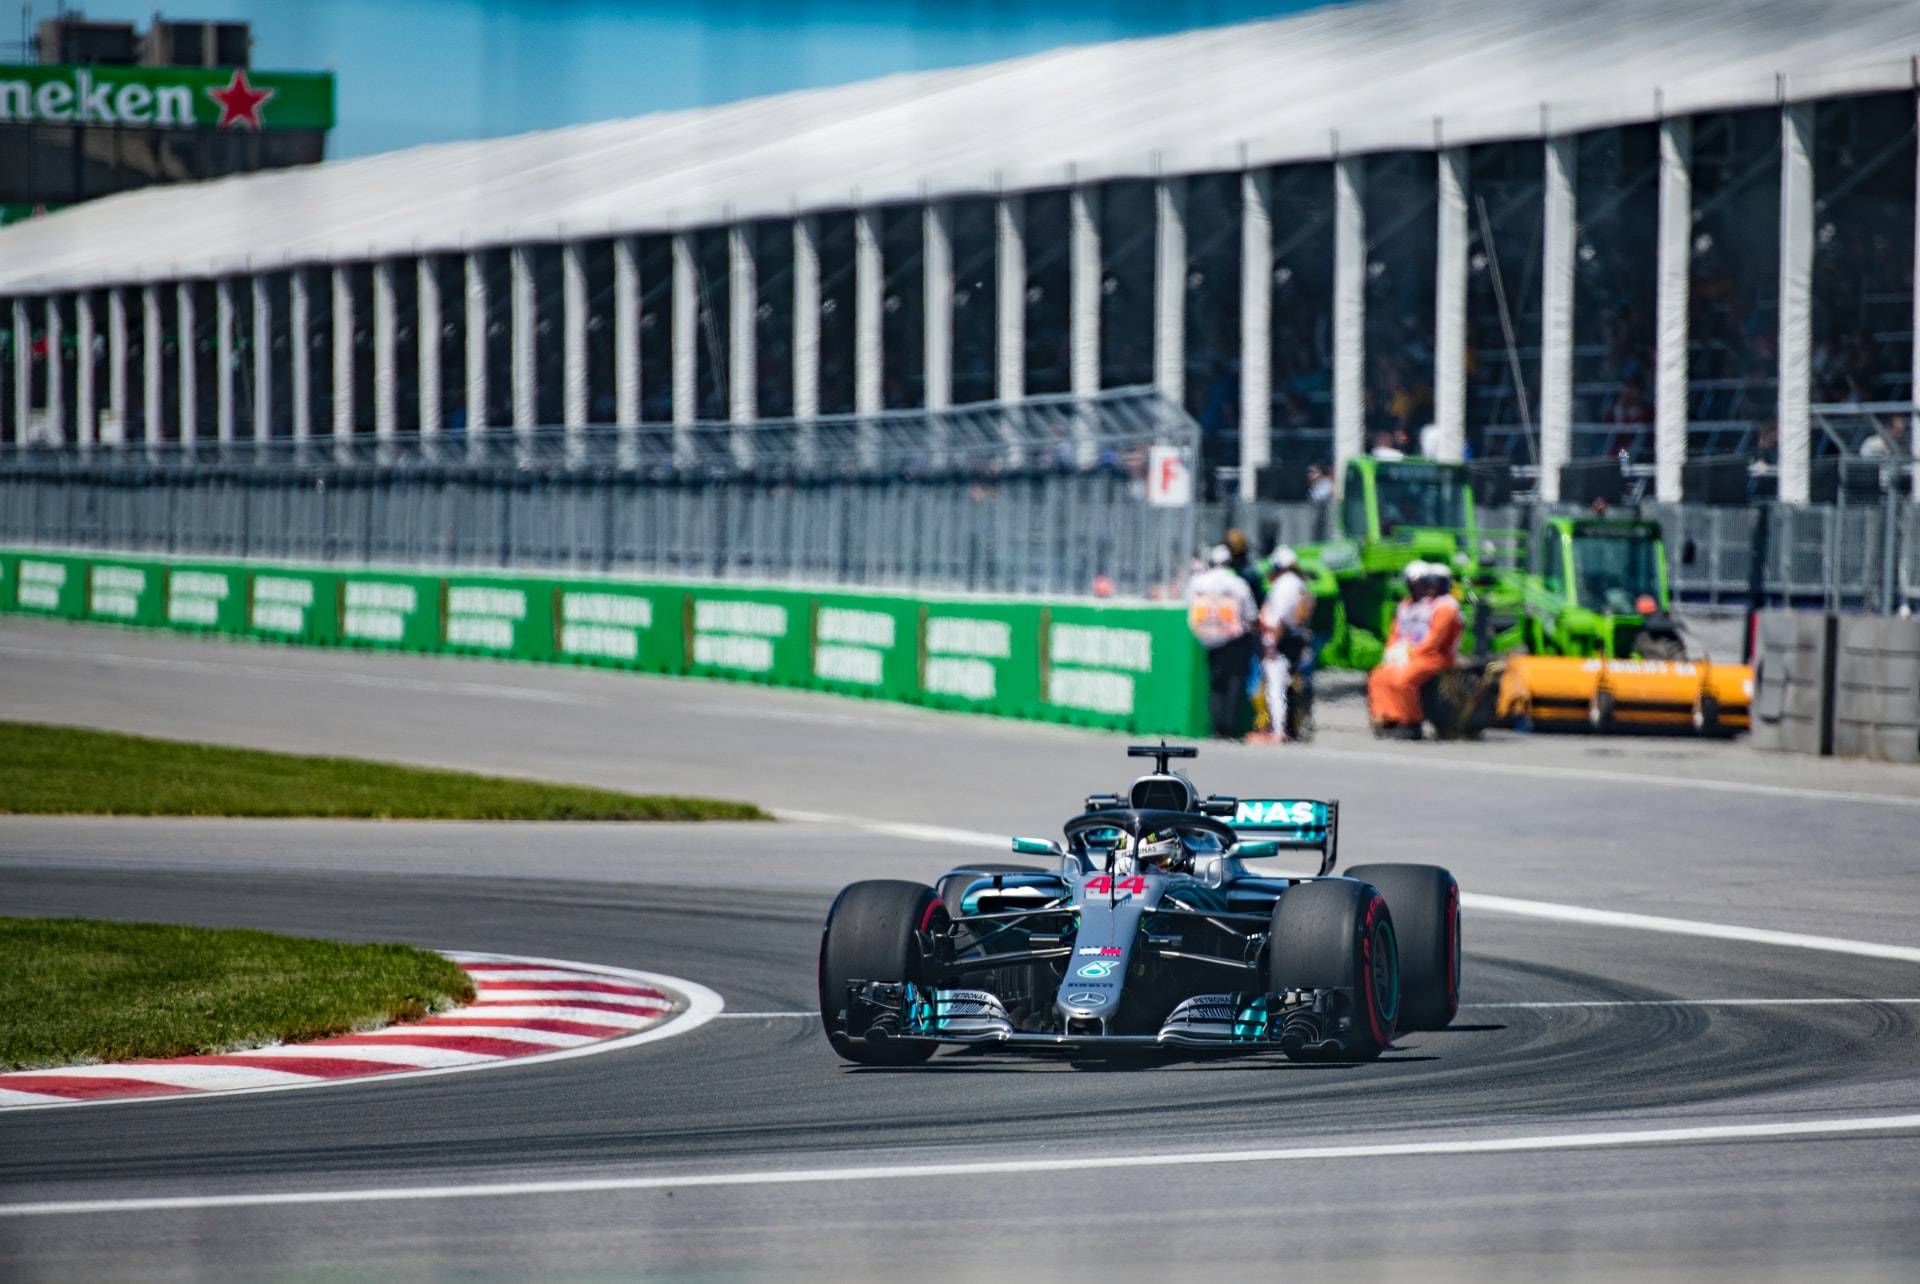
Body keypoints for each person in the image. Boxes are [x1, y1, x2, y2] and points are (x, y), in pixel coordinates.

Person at [1367, 562, 1464, 739]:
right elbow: (1396, 632)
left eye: (1434, 583)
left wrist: (1411, 656)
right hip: (1409, 654)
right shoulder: (1412, 605)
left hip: (1435, 656)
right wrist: (1392, 653)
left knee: (1403, 679)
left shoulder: (1446, 607)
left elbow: (1435, 640)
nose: (1429, 587)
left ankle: (1411, 722)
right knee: (1378, 676)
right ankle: (1388, 717)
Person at [1186, 544, 1259, 741]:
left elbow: (1189, 607)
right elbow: (1251, 613)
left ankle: (1217, 728)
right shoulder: (1238, 583)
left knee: (1216, 684)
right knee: (1234, 683)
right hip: (1234, 641)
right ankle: (1230, 729)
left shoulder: (1197, 583)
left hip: (1208, 640)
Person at [1256, 547, 1316, 743]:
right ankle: (1291, 727)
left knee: (1275, 686)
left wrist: (1272, 644)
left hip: (1282, 639)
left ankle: (1278, 729)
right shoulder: (1301, 584)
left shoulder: (1283, 585)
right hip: (1296, 638)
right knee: (1290, 685)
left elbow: (1280, 619)